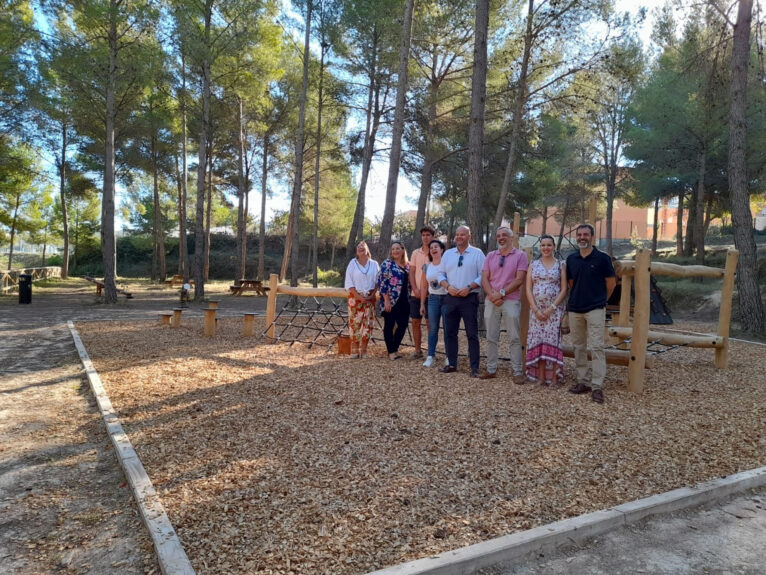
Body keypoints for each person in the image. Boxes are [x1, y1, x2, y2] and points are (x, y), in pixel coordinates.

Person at [566, 223, 616, 404]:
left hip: (595, 308)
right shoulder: (571, 259)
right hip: (575, 308)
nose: (582, 237)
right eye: (579, 235)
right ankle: (583, 381)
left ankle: (597, 386)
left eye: (585, 234)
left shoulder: (602, 259)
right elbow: (571, 282)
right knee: (578, 347)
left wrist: (601, 300)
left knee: (596, 347)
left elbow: (610, 283)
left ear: (592, 237)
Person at [479, 226, 528, 382]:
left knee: (514, 337)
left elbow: (519, 279)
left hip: (511, 301)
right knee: (491, 336)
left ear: (511, 238)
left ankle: (517, 371)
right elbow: (484, 278)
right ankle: (491, 369)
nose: (501, 238)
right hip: (491, 301)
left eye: (504, 235)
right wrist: (492, 295)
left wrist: (501, 294)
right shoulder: (491, 256)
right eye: (499, 235)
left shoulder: (520, 255)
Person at [438, 226, 485, 377]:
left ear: (469, 236)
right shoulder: (448, 254)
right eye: (457, 234)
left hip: (469, 298)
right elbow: (440, 274)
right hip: (450, 297)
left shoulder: (477, 254)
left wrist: (470, 287)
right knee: (450, 333)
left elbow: (483, 275)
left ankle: (475, 367)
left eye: (462, 235)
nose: (459, 237)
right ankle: (451, 364)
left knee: (472, 334)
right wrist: (447, 286)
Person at [525, 234, 568, 386]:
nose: (546, 248)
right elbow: (528, 289)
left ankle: (554, 378)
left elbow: (563, 289)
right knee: (539, 342)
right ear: (540, 247)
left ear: (554, 247)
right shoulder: (533, 264)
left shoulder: (560, 265)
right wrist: (536, 309)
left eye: (549, 245)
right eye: (543, 245)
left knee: (553, 343)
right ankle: (541, 377)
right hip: (536, 311)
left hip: (554, 311)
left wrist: (552, 308)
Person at [344, 241, 379, 358]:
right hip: (355, 298)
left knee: (368, 324)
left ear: (367, 249)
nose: (360, 248)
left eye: (362, 247)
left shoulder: (374, 264)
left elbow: (378, 281)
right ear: (356, 251)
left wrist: (372, 294)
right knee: (355, 323)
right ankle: (355, 350)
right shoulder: (352, 264)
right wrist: (359, 297)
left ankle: (364, 350)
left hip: (370, 297)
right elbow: (349, 282)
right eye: (358, 247)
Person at [377, 241, 410, 360]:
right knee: (389, 325)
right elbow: (382, 282)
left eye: (398, 248)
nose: (395, 251)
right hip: (390, 299)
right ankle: (391, 352)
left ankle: (394, 347)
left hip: (405, 300)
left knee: (403, 325)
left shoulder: (407, 265)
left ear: (402, 250)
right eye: (393, 249)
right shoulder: (387, 264)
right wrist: (386, 300)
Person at [408, 226, 435, 359]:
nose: (426, 237)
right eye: (423, 235)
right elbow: (411, 273)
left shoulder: (436, 252)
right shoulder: (415, 253)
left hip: (432, 295)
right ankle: (417, 350)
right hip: (416, 294)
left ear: (433, 237)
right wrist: (415, 289)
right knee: (415, 322)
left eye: (428, 235)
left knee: (431, 323)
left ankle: (431, 352)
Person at [419, 239, 447, 367]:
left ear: (442, 249)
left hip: (447, 298)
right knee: (433, 329)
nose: (434, 249)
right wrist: (422, 304)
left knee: (448, 329)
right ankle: (430, 356)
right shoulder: (427, 266)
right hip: (433, 299)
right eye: (431, 248)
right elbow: (424, 286)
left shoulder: (447, 264)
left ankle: (449, 356)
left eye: (437, 247)